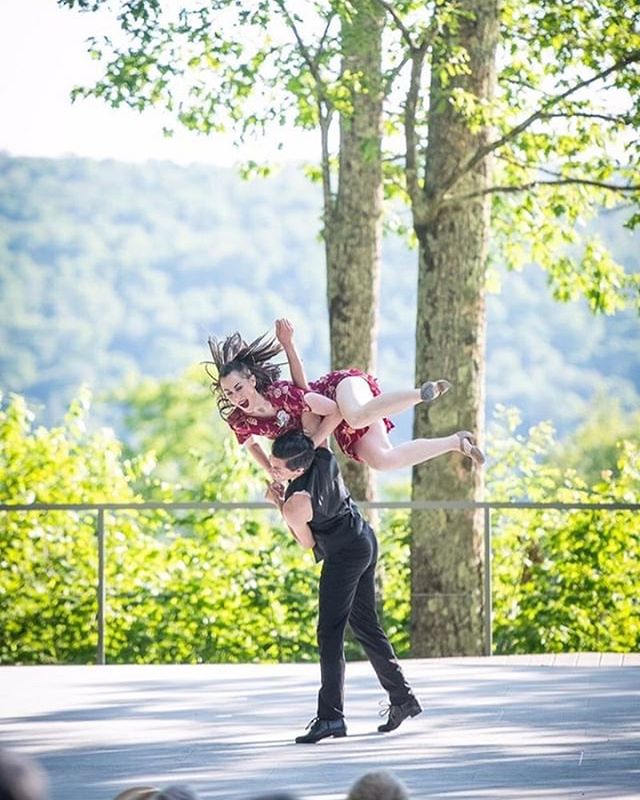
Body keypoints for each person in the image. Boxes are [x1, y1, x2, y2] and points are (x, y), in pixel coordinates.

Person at [265, 430, 423, 743]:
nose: (273, 471)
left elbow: (307, 543)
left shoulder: (296, 504)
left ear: (298, 470)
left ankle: (330, 717)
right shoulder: (322, 455)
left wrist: (278, 504)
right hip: (364, 538)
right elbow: (324, 421)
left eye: (279, 469)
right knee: (365, 624)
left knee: (329, 632)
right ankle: (402, 699)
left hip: (343, 554)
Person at [206, 320, 485, 477]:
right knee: (382, 460)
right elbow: (250, 443)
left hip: (338, 391)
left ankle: (422, 393)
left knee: (355, 413)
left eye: (238, 388)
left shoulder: (281, 394)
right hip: (335, 424)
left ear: (252, 381)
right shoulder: (239, 420)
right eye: (229, 393)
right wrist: (271, 468)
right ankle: (456, 442)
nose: (235, 397)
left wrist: (312, 443)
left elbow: (334, 409)